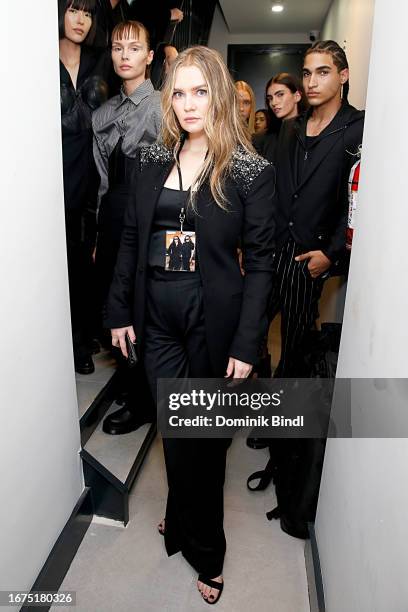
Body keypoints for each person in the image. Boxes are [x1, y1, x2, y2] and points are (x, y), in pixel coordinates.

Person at [104, 45, 275, 604]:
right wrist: (118, 310)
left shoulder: (249, 169)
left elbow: (263, 262)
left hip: (212, 323)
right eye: (178, 92)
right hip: (157, 319)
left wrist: (249, 342)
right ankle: (181, 520)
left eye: (200, 90)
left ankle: (209, 551)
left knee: (203, 442)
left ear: (220, 94)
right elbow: (130, 239)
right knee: (175, 432)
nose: (187, 103)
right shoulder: (152, 159)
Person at [272, 40, 365, 376]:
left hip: (308, 255)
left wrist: (331, 252)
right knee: (244, 327)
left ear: (343, 76)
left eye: (322, 73)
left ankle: (279, 424)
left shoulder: (358, 128)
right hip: (272, 248)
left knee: (295, 344)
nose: (311, 82)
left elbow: (360, 200)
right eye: (307, 73)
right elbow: (279, 190)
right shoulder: (290, 128)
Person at [92, 19, 161, 434]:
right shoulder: (103, 113)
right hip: (114, 216)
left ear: (149, 57)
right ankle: (132, 381)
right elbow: (102, 181)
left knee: (146, 307)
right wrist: (101, 233)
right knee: (115, 305)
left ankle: (144, 400)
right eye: (118, 48)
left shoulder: (164, 106)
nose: (124, 55)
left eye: (133, 48)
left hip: (152, 215)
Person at [59, 0, 112, 374]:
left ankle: (80, 342)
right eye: (74, 9)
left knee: (82, 265)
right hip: (52, 177)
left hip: (92, 178)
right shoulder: (34, 58)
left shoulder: (100, 61)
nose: (81, 19)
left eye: (88, 12)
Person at [253, 72, 308, 163]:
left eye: (280, 95)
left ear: (297, 96)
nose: (274, 103)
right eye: (270, 98)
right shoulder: (260, 140)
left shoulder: (311, 134)